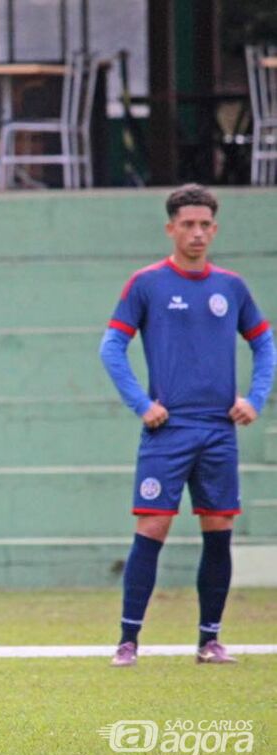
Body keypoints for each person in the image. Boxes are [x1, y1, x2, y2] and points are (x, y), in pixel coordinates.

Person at [99, 183, 275, 667]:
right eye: (188, 225)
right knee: (152, 527)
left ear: (214, 229)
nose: (197, 233)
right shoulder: (147, 283)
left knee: (218, 530)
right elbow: (111, 347)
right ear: (171, 228)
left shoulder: (231, 287)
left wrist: (255, 398)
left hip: (219, 431)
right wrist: (141, 402)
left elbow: (265, 344)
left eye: (205, 225)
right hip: (168, 430)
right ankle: (128, 641)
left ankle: (209, 641)